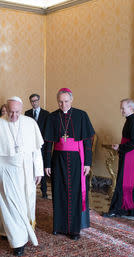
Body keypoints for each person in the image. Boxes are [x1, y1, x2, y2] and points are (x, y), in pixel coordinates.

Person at [0, 96, 44, 257]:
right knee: (12, 204)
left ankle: (3, 230)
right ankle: (18, 242)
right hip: (7, 171)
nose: (14, 115)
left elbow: (36, 151)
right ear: (6, 109)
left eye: (17, 112)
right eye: (11, 112)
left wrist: (39, 170)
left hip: (27, 171)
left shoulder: (30, 123)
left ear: (21, 109)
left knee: (26, 202)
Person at [44, 88, 95, 241]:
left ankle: (74, 229)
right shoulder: (52, 117)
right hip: (58, 159)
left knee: (74, 194)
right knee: (59, 192)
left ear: (71, 100)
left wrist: (87, 162)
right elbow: (47, 144)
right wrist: (47, 164)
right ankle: (59, 226)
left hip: (76, 160)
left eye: (66, 101)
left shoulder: (81, 115)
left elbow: (87, 142)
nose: (63, 104)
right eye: (60, 101)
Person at [104, 99, 134, 218]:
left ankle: (117, 210)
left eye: (123, 108)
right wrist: (120, 146)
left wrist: (119, 147)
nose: (121, 110)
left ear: (130, 108)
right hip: (127, 155)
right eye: (121, 108)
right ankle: (126, 208)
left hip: (130, 156)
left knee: (122, 183)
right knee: (127, 183)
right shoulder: (129, 120)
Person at [24, 93, 50, 199]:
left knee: (42, 167)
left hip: (42, 144)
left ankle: (44, 191)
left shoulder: (46, 114)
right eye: (32, 101)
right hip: (30, 145)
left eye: (35, 101)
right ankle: (30, 190)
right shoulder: (27, 113)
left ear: (39, 101)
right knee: (30, 168)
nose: (34, 103)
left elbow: (47, 130)